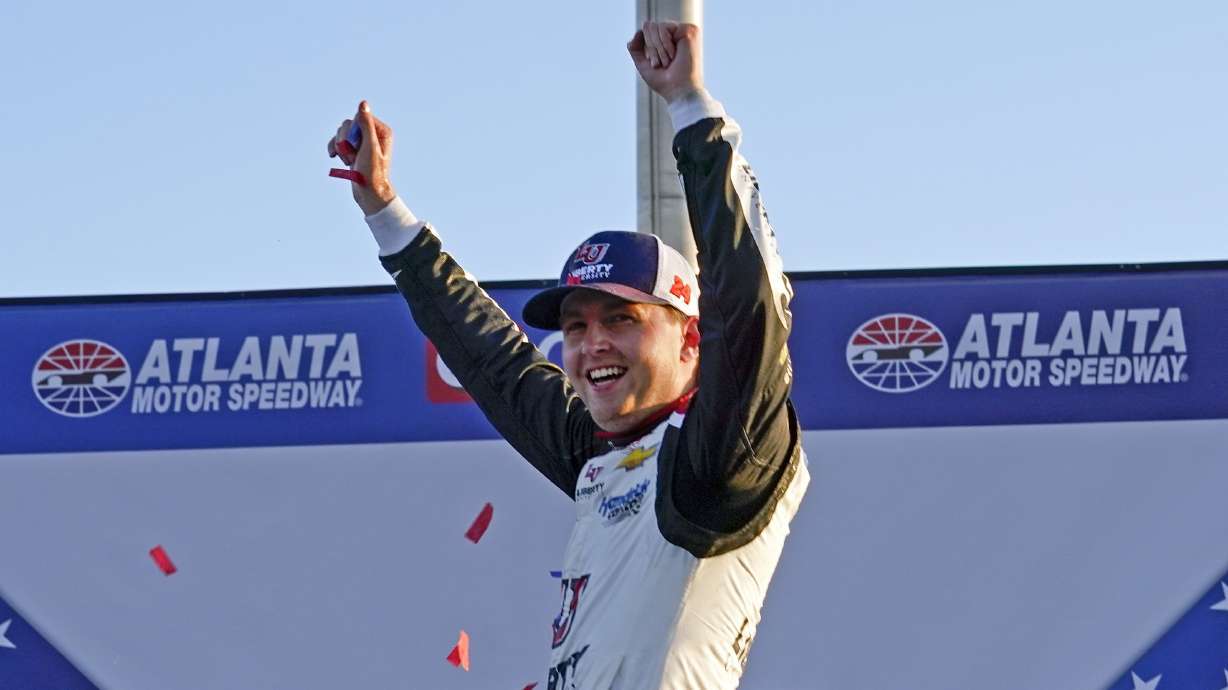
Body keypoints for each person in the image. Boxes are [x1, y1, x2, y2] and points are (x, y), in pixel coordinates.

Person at [329, 21, 809, 690]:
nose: (593, 344)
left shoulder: (717, 458)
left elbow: (748, 303)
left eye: (622, 318)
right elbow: (495, 363)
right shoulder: (600, 453)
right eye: (577, 327)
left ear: (691, 340)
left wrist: (692, 108)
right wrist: (385, 211)